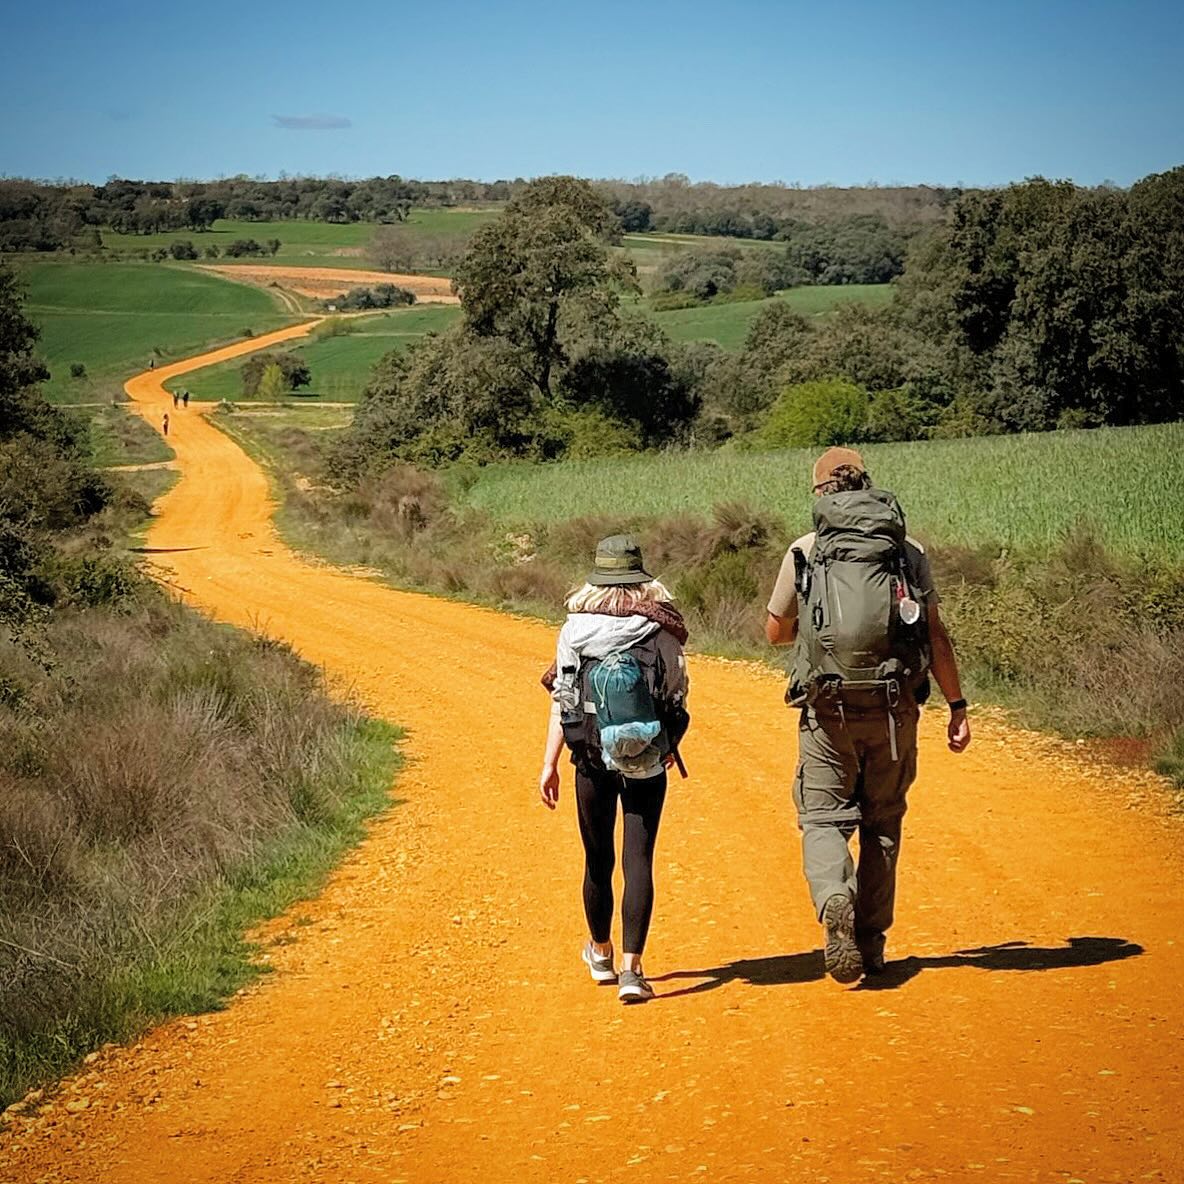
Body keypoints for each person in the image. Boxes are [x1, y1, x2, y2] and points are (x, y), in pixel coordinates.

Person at [765, 447, 971, 983]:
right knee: (883, 822)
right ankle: (871, 943)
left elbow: (775, 631)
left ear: (819, 493)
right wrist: (956, 705)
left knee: (822, 817)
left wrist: (812, 632)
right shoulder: (906, 550)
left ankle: (835, 895)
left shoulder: (806, 550)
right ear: (868, 484)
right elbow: (934, 635)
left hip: (827, 708)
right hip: (894, 708)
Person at [539, 536, 689, 1004]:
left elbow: (564, 700)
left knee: (598, 858)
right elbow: (676, 696)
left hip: (589, 759)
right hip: (648, 758)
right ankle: (632, 971)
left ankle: (600, 954)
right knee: (638, 859)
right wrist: (667, 744)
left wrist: (549, 763)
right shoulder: (661, 628)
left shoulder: (574, 630)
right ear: (641, 577)